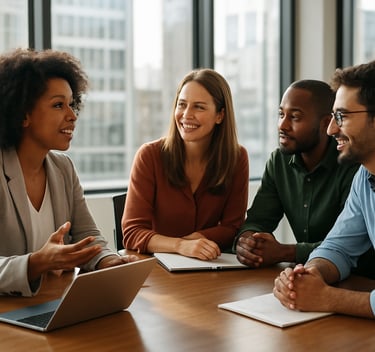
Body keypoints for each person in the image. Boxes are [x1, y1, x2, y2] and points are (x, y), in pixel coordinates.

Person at [0, 48, 137, 297]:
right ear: (23, 114)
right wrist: (36, 263)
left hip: (48, 303)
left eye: (71, 104)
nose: (72, 115)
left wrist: (109, 262)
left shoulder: (63, 168)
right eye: (58, 105)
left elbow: (88, 235)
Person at [273, 60, 375, 319]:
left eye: (342, 116)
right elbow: (339, 247)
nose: (331, 129)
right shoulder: (365, 177)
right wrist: (309, 275)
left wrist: (328, 298)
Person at [122, 68, 249, 260]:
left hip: (210, 267)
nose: (186, 115)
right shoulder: (149, 156)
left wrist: (198, 240)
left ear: (220, 115)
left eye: (199, 107)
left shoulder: (237, 157)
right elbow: (132, 233)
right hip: (157, 271)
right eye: (182, 105)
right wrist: (181, 245)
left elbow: (234, 227)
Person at [235, 80, 359, 268]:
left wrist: (286, 252)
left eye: (294, 117)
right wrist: (248, 242)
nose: (282, 125)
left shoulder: (353, 166)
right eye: (281, 114)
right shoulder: (279, 162)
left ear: (326, 123)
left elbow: (349, 244)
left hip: (358, 279)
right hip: (308, 274)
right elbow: (257, 221)